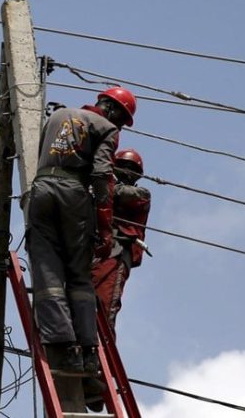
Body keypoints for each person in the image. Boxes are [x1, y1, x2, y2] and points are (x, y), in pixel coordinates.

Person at [25, 86, 137, 374]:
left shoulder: (57, 116)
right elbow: (101, 175)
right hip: (73, 195)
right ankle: (86, 350)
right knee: (78, 273)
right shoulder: (106, 128)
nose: (120, 127)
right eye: (121, 120)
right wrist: (105, 228)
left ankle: (60, 344)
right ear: (112, 110)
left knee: (46, 268)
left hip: (41, 190)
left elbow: (42, 154)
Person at [92, 149, 152, 331]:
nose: (127, 171)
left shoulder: (141, 194)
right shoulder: (102, 193)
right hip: (96, 251)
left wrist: (102, 186)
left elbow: (125, 194)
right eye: (123, 166)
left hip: (117, 252)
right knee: (82, 297)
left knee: (106, 301)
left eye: (131, 168)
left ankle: (102, 341)